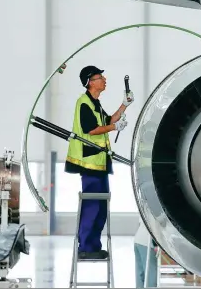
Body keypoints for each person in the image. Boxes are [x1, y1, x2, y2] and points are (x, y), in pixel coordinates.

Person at [65, 65, 134, 260]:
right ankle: (85, 247)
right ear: (90, 82)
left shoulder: (95, 103)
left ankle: (94, 246)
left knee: (101, 207)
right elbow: (91, 130)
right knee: (92, 206)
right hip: (90, 164)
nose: (104, 79)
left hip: (100, 163)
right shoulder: (84, 103)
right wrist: (114, 127)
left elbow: (109, 120)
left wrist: (124, 105)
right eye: (99, 77)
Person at [134, 217, 158, 288]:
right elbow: (155, 225)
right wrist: (156, 244)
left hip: (138, 240)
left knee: (140, 275)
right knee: (150, 277)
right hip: (147, 243)